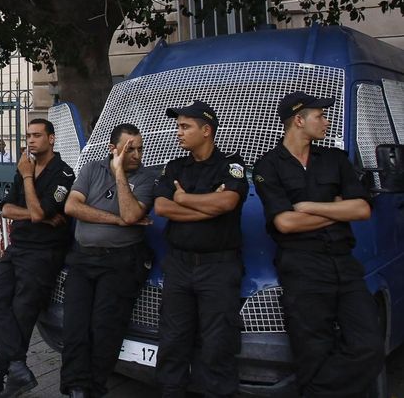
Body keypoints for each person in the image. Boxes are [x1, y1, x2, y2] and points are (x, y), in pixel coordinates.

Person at [253, 91, 384, 397]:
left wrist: (311, 207)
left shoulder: (335, 160)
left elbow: (363, 209)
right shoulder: (268, 166)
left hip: (344, 264)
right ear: (299, 120)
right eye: (320, 116)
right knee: (312, 354)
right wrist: (337, 209)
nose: (326, 121)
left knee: (369, 347)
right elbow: (285, 223)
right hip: (302, 267)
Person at [154, 100, 248, 398]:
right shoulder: (175, 167)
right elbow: (161, 206)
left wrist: (183, 199)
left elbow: (227, 203)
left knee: (218, 344)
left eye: (185, 126)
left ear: (206, 130)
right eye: (177, 126)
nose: (178, 132)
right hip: (179, 266)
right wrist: (206, 206)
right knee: (173, 341)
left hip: (217, 267)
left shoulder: (230, 166)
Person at [0, 119, 75, 398]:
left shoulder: (64, 174)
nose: (31, 141)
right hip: (18, 247)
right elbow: (8, 208)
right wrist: (38, 216)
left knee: (22, 313)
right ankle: (17, 366)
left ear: (52, 139)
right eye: (28, 136)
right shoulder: (23, 169)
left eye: (37, 135)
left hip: (44, 253)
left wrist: (30, 181)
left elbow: (39, 210)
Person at [60, 123, 155, 398]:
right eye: (129, 149)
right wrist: (115, 220)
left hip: (120, 262)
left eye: (139, 148)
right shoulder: (91, 169)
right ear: (113, 149)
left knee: (105, 329)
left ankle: (95, 388)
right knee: (75, 326)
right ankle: (76, 388)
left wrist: (119, 173)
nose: (137, 154)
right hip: (83, 259)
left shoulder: (146, 178)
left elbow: (131, 214)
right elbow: (71, 206)